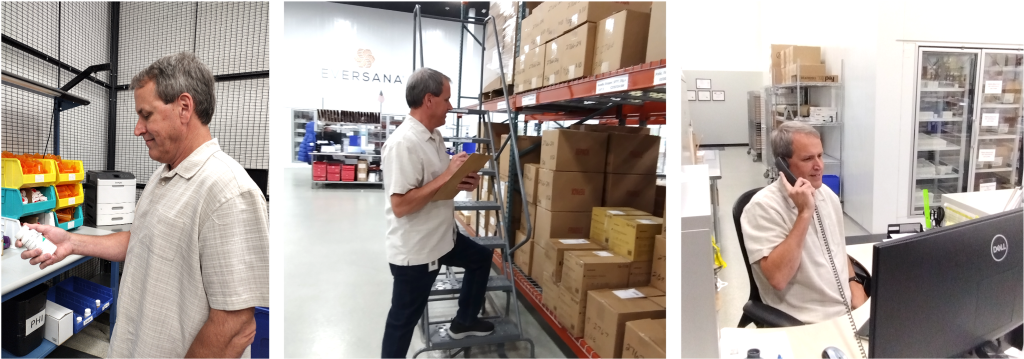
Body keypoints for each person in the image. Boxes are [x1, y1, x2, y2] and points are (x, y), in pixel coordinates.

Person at [16, 52, 270, 359]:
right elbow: (143, 240)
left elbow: (235, 328)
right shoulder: (163, 175)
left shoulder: (228, 191)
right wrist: (71, 241)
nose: (138, 129)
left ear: (184, 108)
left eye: (146, 115)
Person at [380, 67, 491, 359]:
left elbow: (438, 188)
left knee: (481, 258)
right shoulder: (403, 143)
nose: (450, 106)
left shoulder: (434, 136)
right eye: (446, 99)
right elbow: (401, 206)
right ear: (429, 100)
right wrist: (447, 176)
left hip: (443, 237)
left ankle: (464, 321)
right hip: (418, 252)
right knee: (402, 321)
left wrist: (461, 179)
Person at [740, 121, 868, 324]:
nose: (819, 165)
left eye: (820, 155)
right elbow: (778, 278)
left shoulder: (827, 196)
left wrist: (854, 283)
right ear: (782, 164)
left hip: (848, 311)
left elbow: (837, 248)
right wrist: (804, 213)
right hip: (808, 321)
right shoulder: (762, 208)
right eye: (808, 158)